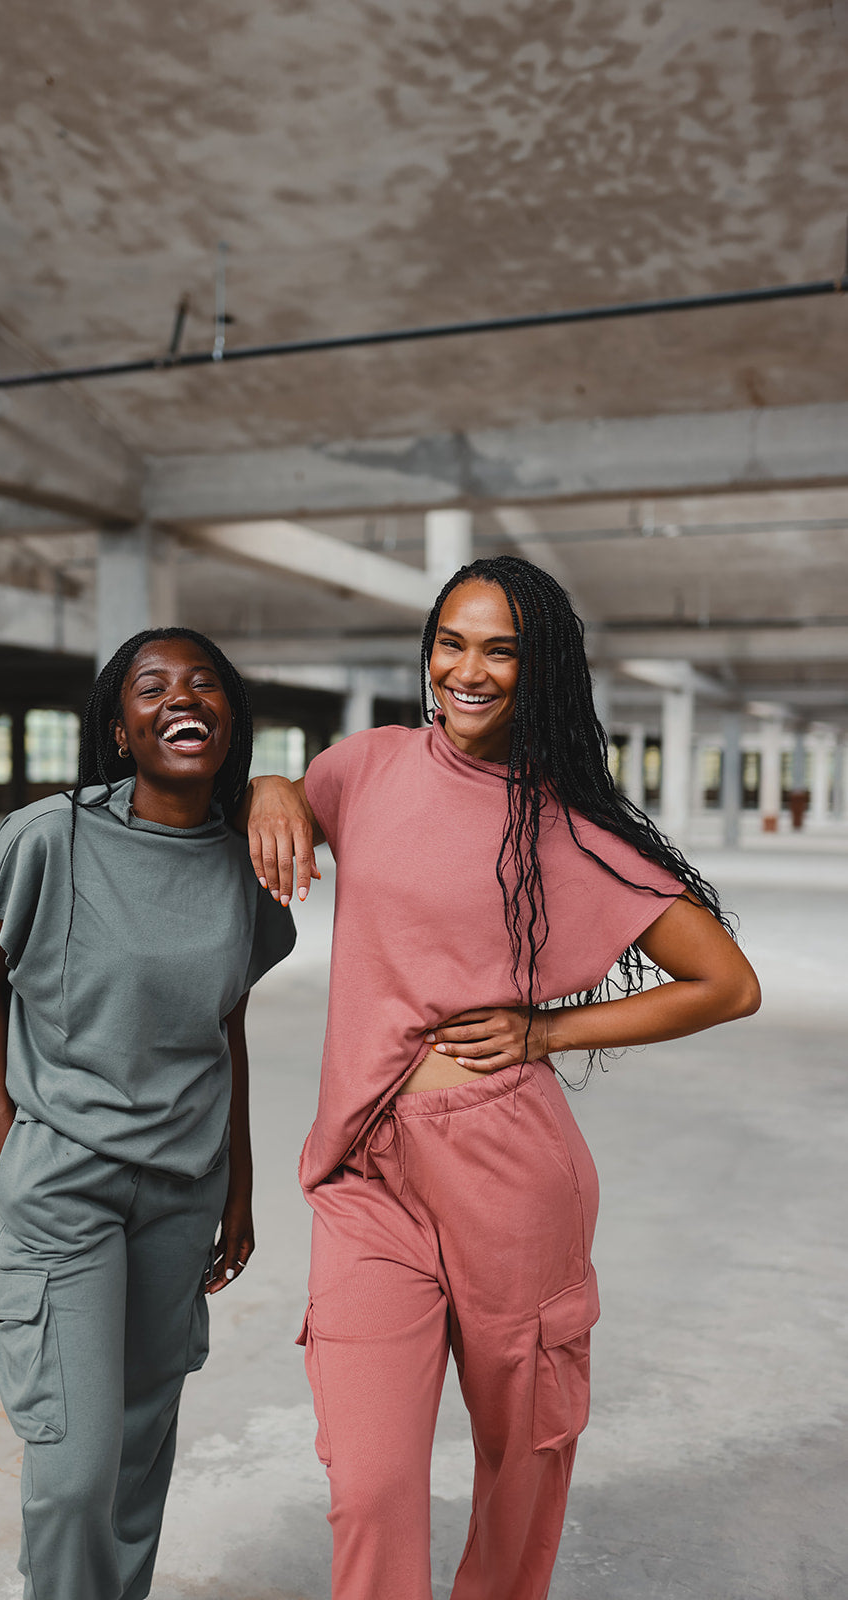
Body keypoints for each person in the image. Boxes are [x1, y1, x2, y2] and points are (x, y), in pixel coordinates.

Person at [245, 556, 761, 1600]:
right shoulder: (371, 764)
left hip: (505, 1173)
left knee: (518, 1467)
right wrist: (267, 783)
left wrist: (546, 1031)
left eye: (499, 649)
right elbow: (299, 794)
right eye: (450, 641)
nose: (466, 669)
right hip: (362, 1170)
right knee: (370, 1480)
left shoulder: (563, 826)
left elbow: (724, 981)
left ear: (541, 672)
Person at [0, 627, 295, 1600]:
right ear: (118, 726)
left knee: (138, 1459)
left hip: (183, 1192)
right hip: (63, 1187)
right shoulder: (45, 836)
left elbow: (219, 1026)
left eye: (202, 684)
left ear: (229, 720)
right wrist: (9, 1141)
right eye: (153, 686)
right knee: (72, 1473)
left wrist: (241, 1182)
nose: (180, 696)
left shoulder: (242, 868)